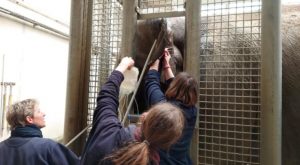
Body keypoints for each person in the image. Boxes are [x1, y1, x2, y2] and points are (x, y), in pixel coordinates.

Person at [80, 57, 185, 165]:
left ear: (144, 115)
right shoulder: (153, 160)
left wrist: (122, 66)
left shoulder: (107, 131)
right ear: (168, 144)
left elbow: (106, 98)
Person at [144, 48, 199, 165]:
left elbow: (151, 82)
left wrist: (155, 62)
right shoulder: (193, 111)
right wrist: (166, 65)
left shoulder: (163, 106)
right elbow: (178, 87)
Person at [0, 99, 79, 165]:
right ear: (29, 119)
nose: (43, 114)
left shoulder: (1, 147)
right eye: (38, 111)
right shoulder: (49, 147)